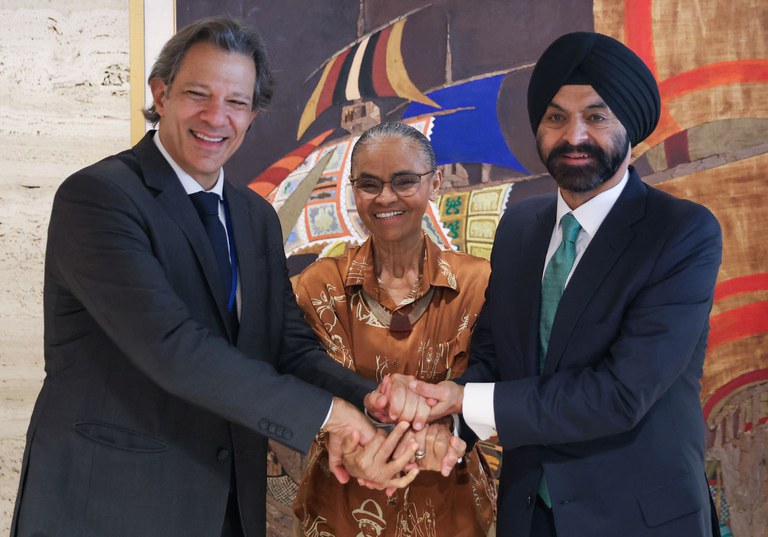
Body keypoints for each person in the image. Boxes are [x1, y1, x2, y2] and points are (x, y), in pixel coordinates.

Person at [10, 17, 417, 537]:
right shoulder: (98, 199)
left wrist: (369, 400)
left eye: (236, 102)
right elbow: (172, 347)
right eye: (197, 94)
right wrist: (328, 417)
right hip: (108, 507)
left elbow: (286, 347)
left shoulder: (254, 217)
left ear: (253, 114)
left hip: (227, 507)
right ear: (160, 95)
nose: (215, 117)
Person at [399, 32, 723, 536]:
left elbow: (620, 394)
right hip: (531, 517)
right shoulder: (519, 228)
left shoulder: (680, 233)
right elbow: (494, 357)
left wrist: (464, 403)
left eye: (596, 116)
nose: (573, 136)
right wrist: (447, 418)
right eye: (555, 117)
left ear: (630, 126)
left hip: (640, 520)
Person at [292, 122, 497, 536]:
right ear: (353, 191)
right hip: (338, 511)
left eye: (404, 181)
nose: (386, 197)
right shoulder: (316, 287)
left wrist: (451, 431)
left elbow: (500, 383)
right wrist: (347, 437)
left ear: (435, 182)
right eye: (369, 184)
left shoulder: (481, 284)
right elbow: (288, 382)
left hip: (449, 511)